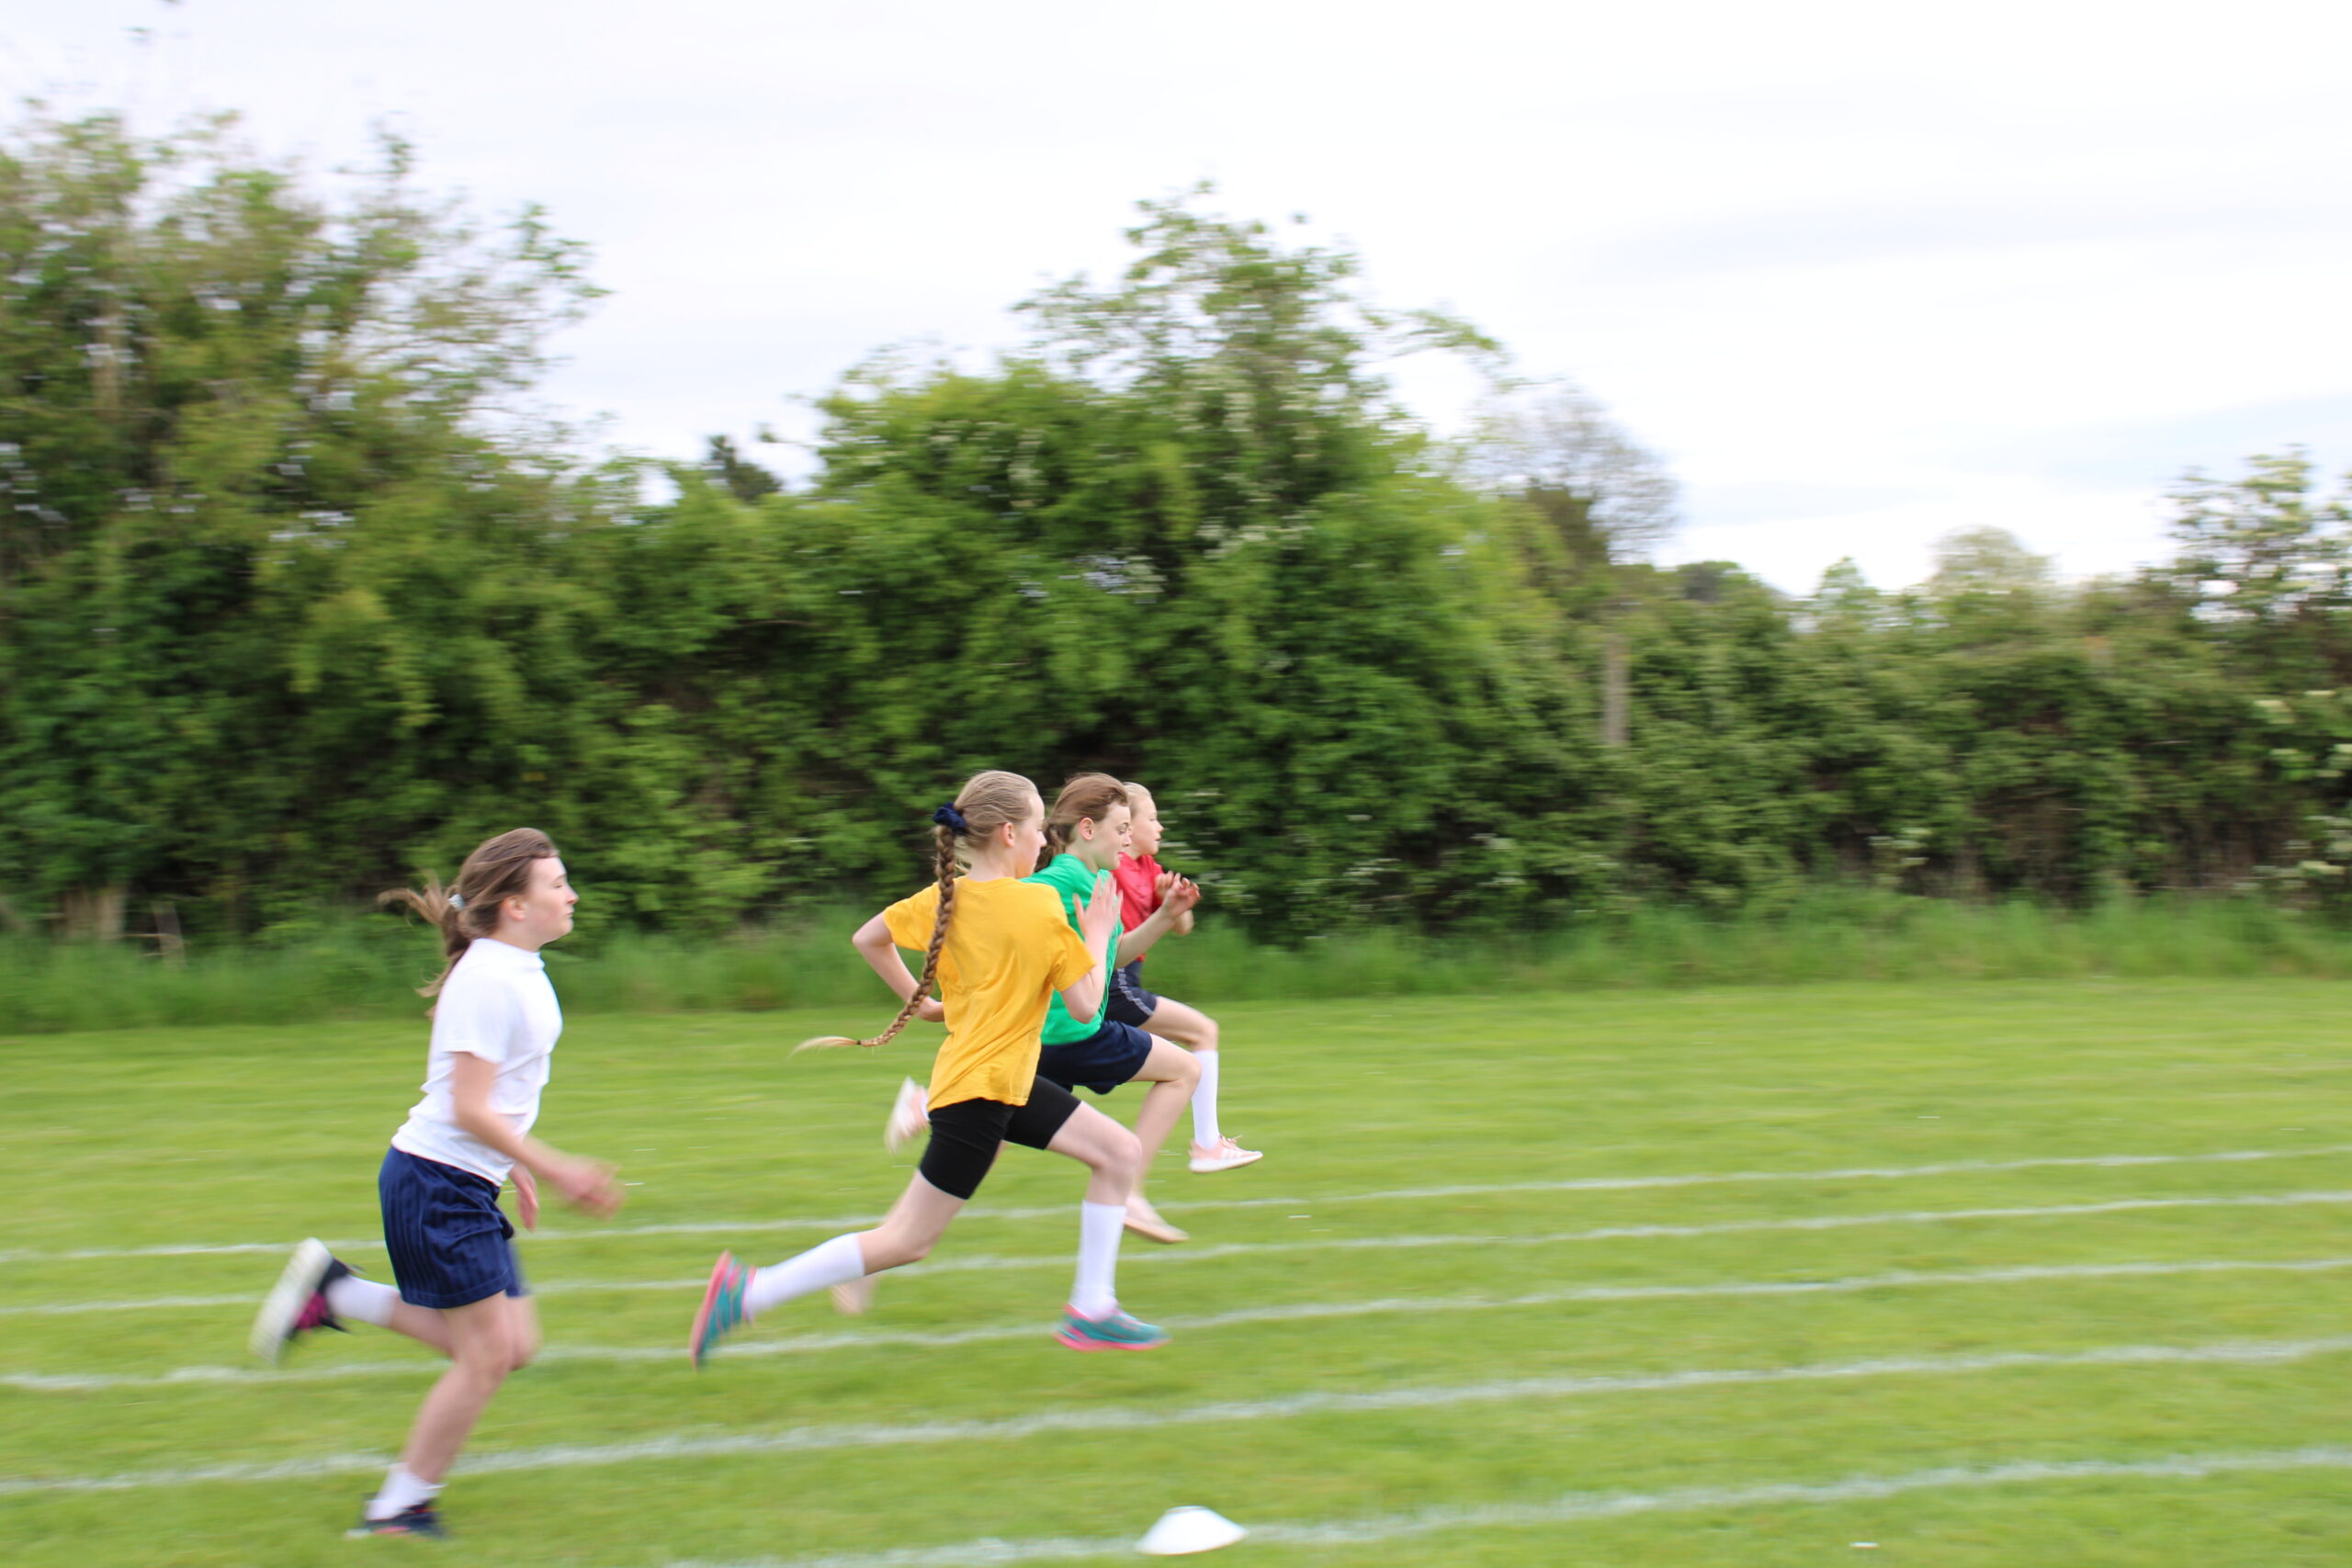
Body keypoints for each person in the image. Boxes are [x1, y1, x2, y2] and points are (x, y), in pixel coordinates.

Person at [690, 770, 1170, 1360]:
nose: (1046, 841)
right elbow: (1085, 1007)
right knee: (907, 1241)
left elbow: (869, 938)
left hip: (1004, 1083)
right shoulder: (1039, 903)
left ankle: (1092, 1309)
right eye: (1038, 829)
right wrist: (1096, 934)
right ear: (1009, 833)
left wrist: (923, 1008)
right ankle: (750, 1292)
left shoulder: (949, 897)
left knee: (1119, 1152)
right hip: (981, 1095)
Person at [247, 829, 625, 1540]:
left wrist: (511, 1164)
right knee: (486, 1356)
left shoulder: (514, 966)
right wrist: (554, 1165)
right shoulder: (489, 977)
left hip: (458, 1180)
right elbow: (467, 1105)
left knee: (516, 1345)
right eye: (556, 884)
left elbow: (489, 1092)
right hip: (437, 1183)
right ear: (514, 904)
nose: (570, 894)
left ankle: (337, 1290)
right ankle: (398, 1507)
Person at [1023, 773, 1205, 1243]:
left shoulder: (1096, 877)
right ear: (1088, 829)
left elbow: (1112, 954)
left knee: (983, 1140)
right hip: (1071, 1032)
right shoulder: (1059, 883)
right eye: (1122, 828)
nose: (1129, 839)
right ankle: (1132, 1194)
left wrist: (1164, 917)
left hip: (1047, 1041)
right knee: (1184, 1069)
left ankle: (886, 1243)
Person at [1109, 781, 1261, 1176]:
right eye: (1153, 818)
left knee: (1036, 1082)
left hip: (1124, 980)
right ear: (1126, 827)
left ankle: (939, 1105)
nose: (1160, 827)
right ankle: (1207, 1145)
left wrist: (1170, 898)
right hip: (1114, 981)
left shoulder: (1148, 869)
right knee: (1202, 1032)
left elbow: (1184, 926)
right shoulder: (1111, 868)